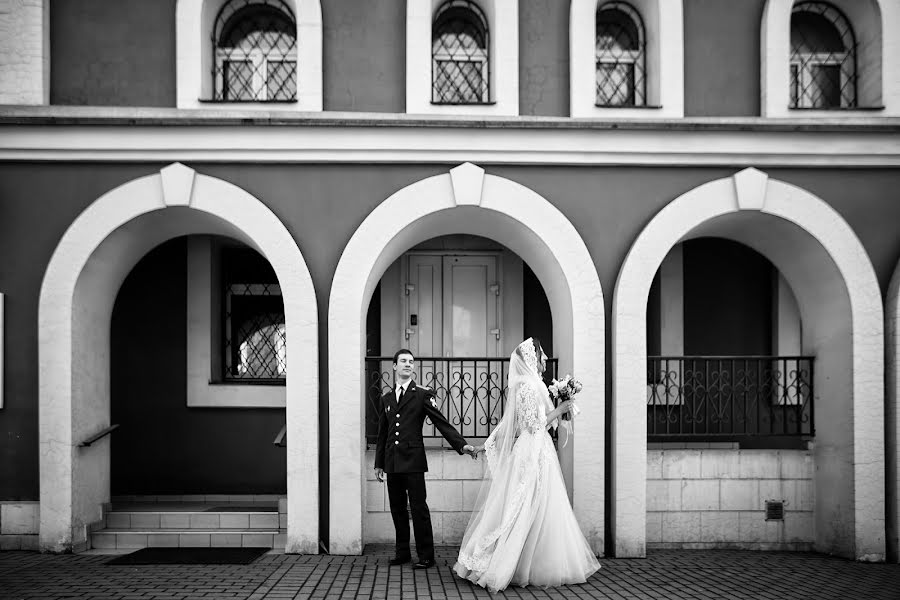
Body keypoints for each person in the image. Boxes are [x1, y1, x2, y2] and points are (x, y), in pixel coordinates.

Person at [453, 337, 601, 592]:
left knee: (538, 505)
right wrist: (561, 408)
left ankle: (530, 562)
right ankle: (507, 563)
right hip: (532, 451)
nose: (545, 359)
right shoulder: (528, 388)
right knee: (524, 505)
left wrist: (560, 410)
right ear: (532, 359)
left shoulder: (530, 385)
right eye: (541, 355)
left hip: (537, 448)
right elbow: (534, 425)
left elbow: (513, 423)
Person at [374, 349, 477, 569]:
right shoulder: (386, 398)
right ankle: (402, 553)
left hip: (413, 461)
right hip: (392, 462)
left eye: (411, 362)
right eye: (403, 361)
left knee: (419, 509)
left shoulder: (422, 394)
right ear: (394, 366)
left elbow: (441, 422)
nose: (408, 364)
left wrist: (461, 444)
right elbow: (383, 434)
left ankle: (426, 556)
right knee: (397, 509)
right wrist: (378, 463)